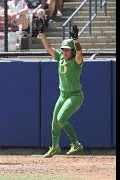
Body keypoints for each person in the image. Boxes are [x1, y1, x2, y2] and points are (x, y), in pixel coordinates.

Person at [36, 19, 84, 158]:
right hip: (63, 95)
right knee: (55, 123)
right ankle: (55, 147)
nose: (64, 51)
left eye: (67, 50)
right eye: (63, 49)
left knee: (62, 119)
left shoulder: (76, 61)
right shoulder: (61, 58)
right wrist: (41, 33)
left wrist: (76, 40)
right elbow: (48, 48)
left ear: (72, 51)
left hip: (75, 95)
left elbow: (80, 53)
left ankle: (76, 144)